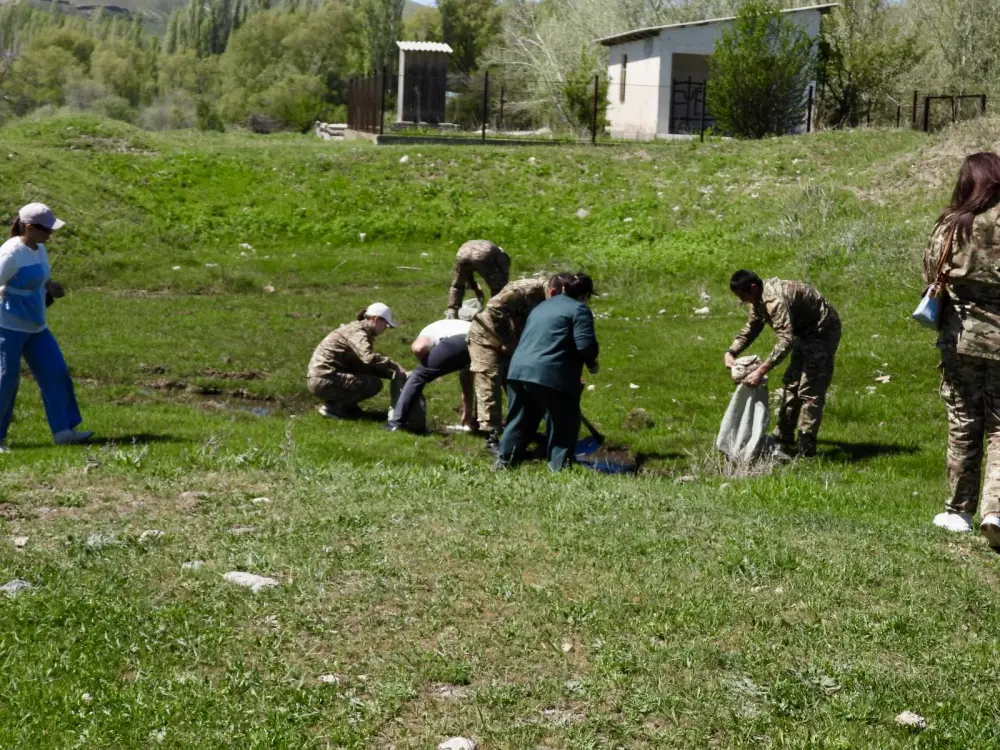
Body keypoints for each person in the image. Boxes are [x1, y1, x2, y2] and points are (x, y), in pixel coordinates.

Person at [924, 152, 1000, 542]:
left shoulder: (952, 225)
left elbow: (929, 272)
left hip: (961, 338)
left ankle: (958, 512)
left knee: (964, 421)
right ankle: (996, 510)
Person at [0, 203, 93, 451]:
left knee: (55, 372)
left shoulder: (39, 249)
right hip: (7, 326)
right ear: (29, 227)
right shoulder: (9, 254)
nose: (50, 235)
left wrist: (49, 287)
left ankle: (64, 431)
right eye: (46, 230)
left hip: (36, 325)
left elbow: (41, 278)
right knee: (5, 381)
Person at [724, 270, 841, 458]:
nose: (745, 302)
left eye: (744, 297)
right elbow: (753, 327)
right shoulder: (758, 299)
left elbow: (785, 341)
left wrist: (760, 371)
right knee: (791, 384)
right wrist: (731, 351)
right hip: (803, 333)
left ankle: (806, 448)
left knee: (810, 390)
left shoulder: (774, 301)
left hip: (822, 331)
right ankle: (783, 440)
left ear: (753, 288)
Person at [496, 273, 599, 471]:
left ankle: (504, 462)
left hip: (518, 370)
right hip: (551, 373)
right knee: (563, 422)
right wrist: (592, 364)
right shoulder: (579, 310)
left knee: (519, 420)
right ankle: (559, 469)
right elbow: (585, 345)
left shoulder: (540, 307)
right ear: (584, 295)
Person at [467, 274, 562, 451]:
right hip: (486, 335)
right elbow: (494, 307)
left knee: (522, 384)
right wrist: (506, 340)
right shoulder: (524, 290)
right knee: (489, 379)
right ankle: (491, 435)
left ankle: (522, 429)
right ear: (552, 291)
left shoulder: (559, 298)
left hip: (518, 338)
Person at [307, 302, 407, 418]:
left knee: (366, 374)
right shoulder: (357, 333)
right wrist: (395, 367)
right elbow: (369, 358)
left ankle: (346, 408)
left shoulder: (355, 330)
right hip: (325, 379)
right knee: (373, 383)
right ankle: (335, 407)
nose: (385, 328)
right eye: (386, 324)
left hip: (321, 378)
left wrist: (394, 373)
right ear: (376, 319)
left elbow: (365, 366)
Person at [385, 317, 475, 433]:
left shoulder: (429, 330)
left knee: (417, 377)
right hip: (480, 341)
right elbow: (467, 383)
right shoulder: (465, 325)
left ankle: (395, 424)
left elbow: (418, 348)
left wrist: (427, 365)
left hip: (457, 341)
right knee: (485, 383)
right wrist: (467, 411)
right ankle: (481, 425)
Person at [445, 240, 511, 320]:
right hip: (482, 255)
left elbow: (466, 273)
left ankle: (452, 312)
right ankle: (496, 314)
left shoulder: (493, 251)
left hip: (462, 253)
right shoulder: (502, 256)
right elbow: (503, 281)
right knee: (498, 289)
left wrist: (475, 288)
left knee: (457, 285)